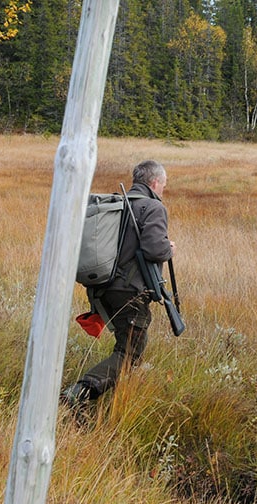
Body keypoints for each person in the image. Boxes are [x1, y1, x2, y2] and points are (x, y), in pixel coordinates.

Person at [62, 160, 175, 406]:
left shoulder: (116, 204)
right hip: (130, 292)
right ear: (155, 183)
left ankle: (115, 402)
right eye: (164, 185)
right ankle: (78, 394)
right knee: (129, 353)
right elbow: (155, 249)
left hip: (104, 289)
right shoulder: (153, 207)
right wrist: (169, 248)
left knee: (127, 346)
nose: (164, 190)